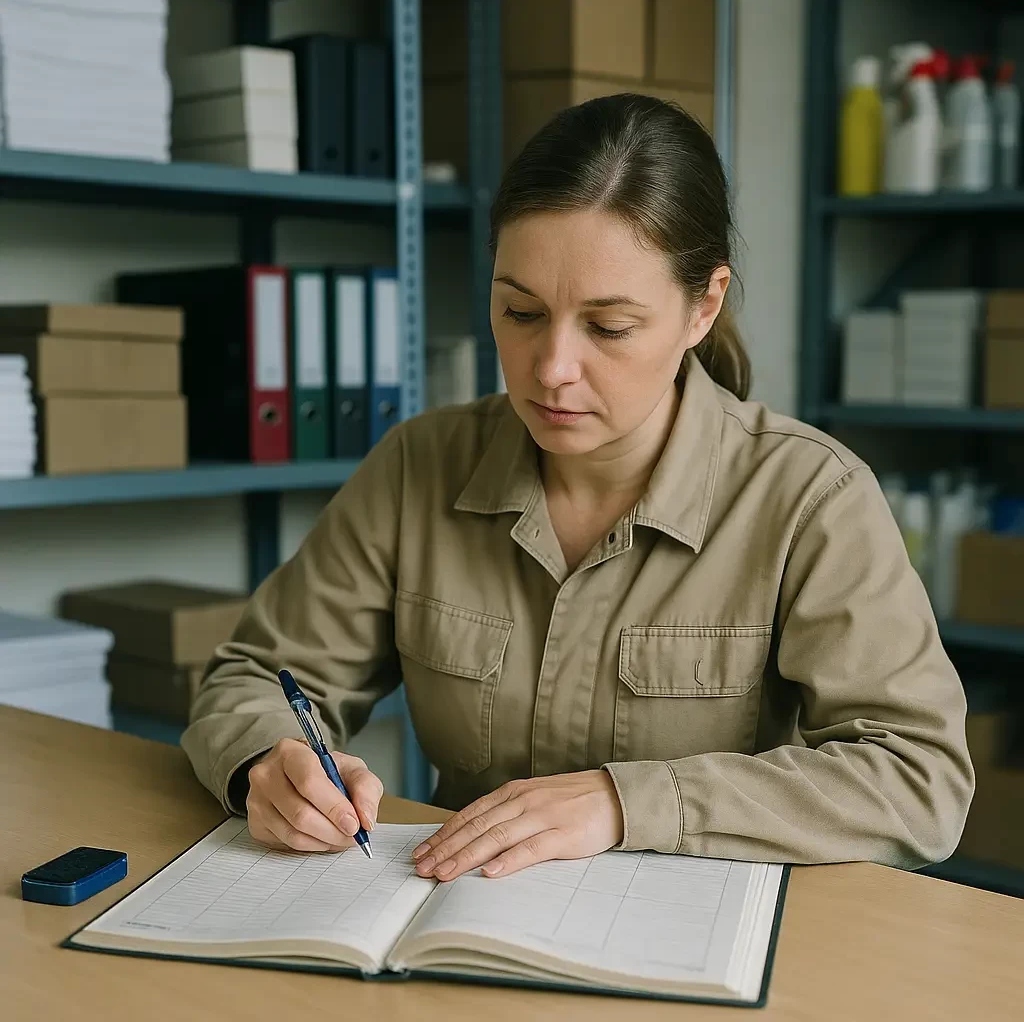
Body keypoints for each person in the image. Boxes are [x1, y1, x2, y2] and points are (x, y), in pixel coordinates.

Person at [181, 94, 974, 883]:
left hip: (687, 950)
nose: (552, 368)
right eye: (521, 311)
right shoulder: (419, 464)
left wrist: (627, 803)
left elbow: (918, 779)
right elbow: (256, 674)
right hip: (449, 919)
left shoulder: (810, 497)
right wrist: (266, 761)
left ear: (703, 306)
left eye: (608, 327)